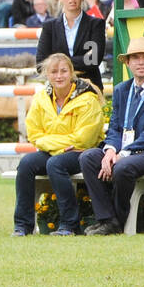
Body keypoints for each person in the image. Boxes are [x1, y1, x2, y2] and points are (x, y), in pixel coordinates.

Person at [79, 36, 144, 236]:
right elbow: (116, 127)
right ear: (127, 63)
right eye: (135, 58)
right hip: (127, 151)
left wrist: (123, 154)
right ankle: (106, 220)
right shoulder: (122, 90)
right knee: (88, 158)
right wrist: (110, 150)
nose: (141, 62)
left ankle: (117, 221)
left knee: (123, 166)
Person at [11, 52, 105, 236]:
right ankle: (22, 225)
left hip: (83, 152)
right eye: (54, 72)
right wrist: (60, 146)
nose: (59, 76)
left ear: (71, 73)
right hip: (61, 149)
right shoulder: (41, 98)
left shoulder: (87, 98)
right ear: (47, 74)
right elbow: (34, 134)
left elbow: (84, 138)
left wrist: (50, 142)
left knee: (55, 164)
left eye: (63, 71)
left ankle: (69, 225)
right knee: (26, 164)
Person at [36, 0, 107, 91]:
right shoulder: (49, 26)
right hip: (57, 89)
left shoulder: (96, 24)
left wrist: (57, 62)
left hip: (89, 87)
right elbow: (40, 63)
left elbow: (93, 60)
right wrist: (81, 60)